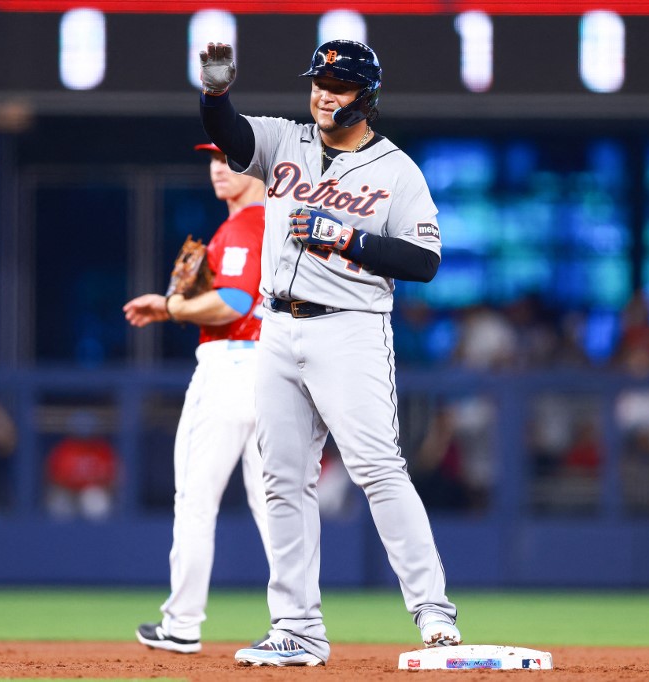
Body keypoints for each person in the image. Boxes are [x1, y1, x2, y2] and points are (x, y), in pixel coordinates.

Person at [198, 39, 461, 667]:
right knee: (282, 479)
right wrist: (214, 94)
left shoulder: (397, 169)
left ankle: (433, 611)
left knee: (377, 469)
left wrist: (348, 238)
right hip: (277, 328)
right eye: (319, 81)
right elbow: (231, 135)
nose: (323, 93)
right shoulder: (287, 141)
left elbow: (424, 259)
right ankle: (296, 628)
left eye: (338, 85)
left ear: (365, 97)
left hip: (350, 329)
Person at [125, 142, 272, 654]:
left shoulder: (243, 227)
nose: (217, 168)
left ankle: (183, 623)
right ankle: (298, 624)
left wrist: (171, 306)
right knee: (276, 505)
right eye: (212, 160)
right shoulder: (275, 226)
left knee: (194, 500)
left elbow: (233, 301)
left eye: (230, 160)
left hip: (231, 367)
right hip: (274, 373)